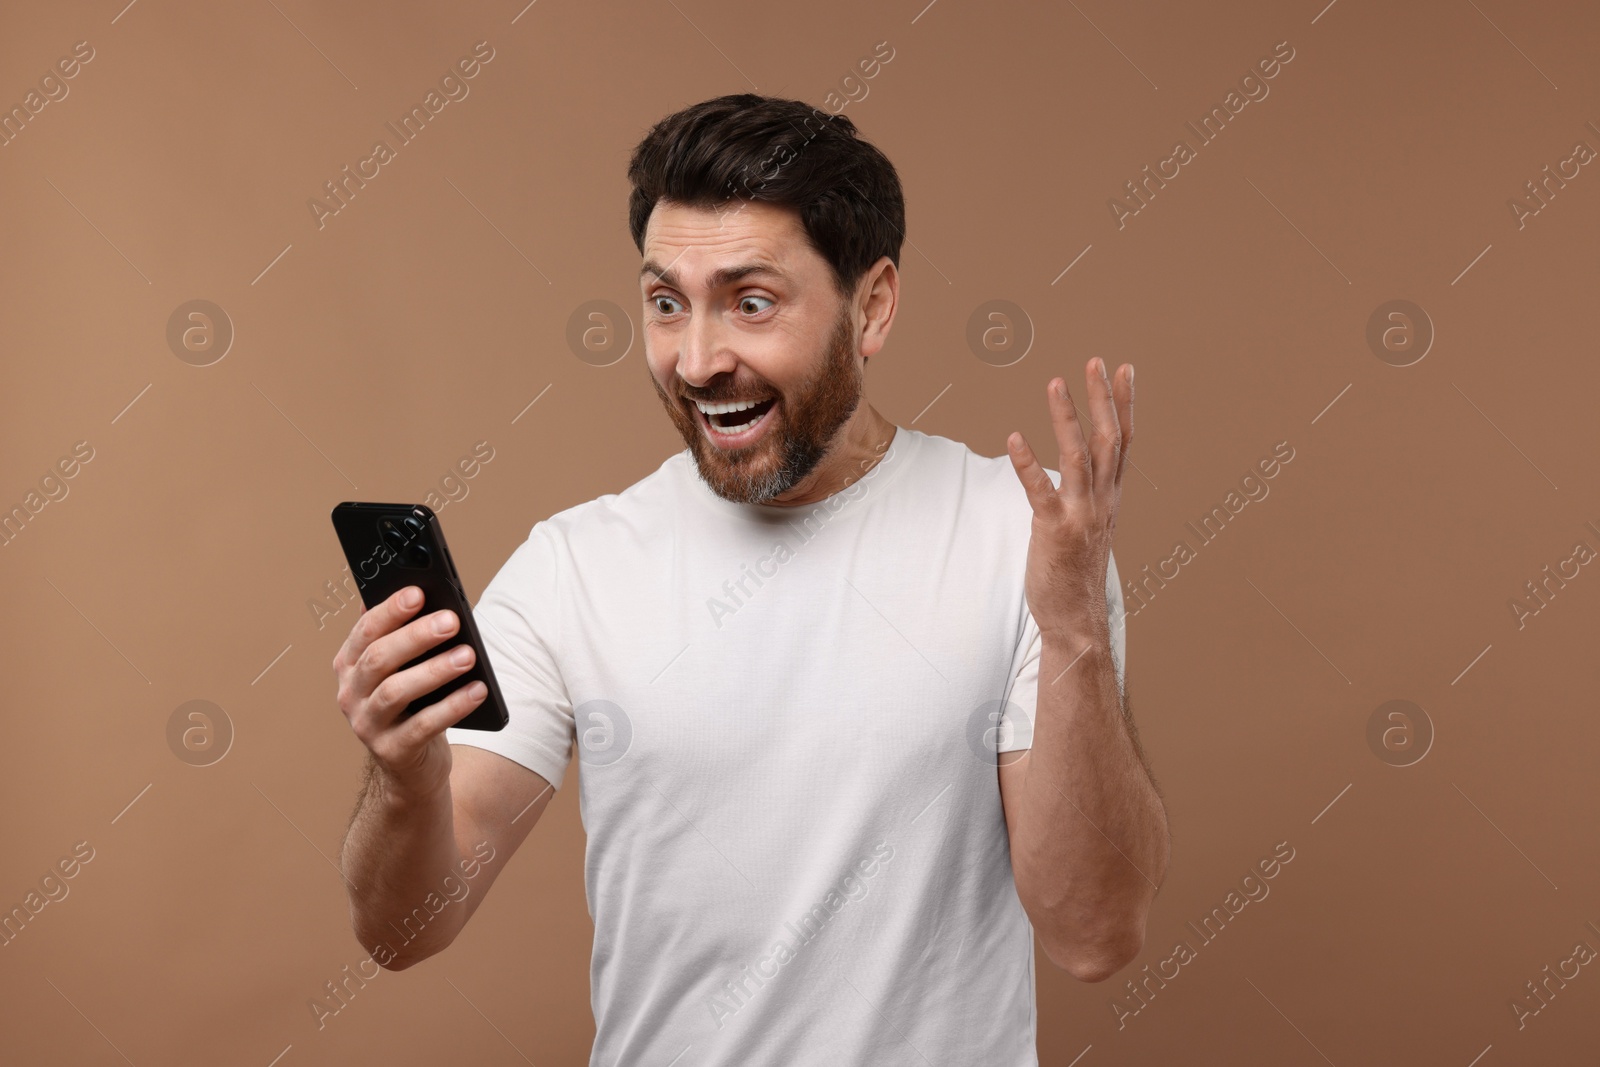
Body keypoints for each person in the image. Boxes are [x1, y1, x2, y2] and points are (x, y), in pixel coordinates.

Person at [334, 92, 1169, 1066]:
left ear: (872, 304)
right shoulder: (575, 566)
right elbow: (404, 931)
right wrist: (402, 779)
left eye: (751, 301)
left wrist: (1074, 631)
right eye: (665, 302)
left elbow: (1094, 932)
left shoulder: (1019, 538)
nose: (697, 359)